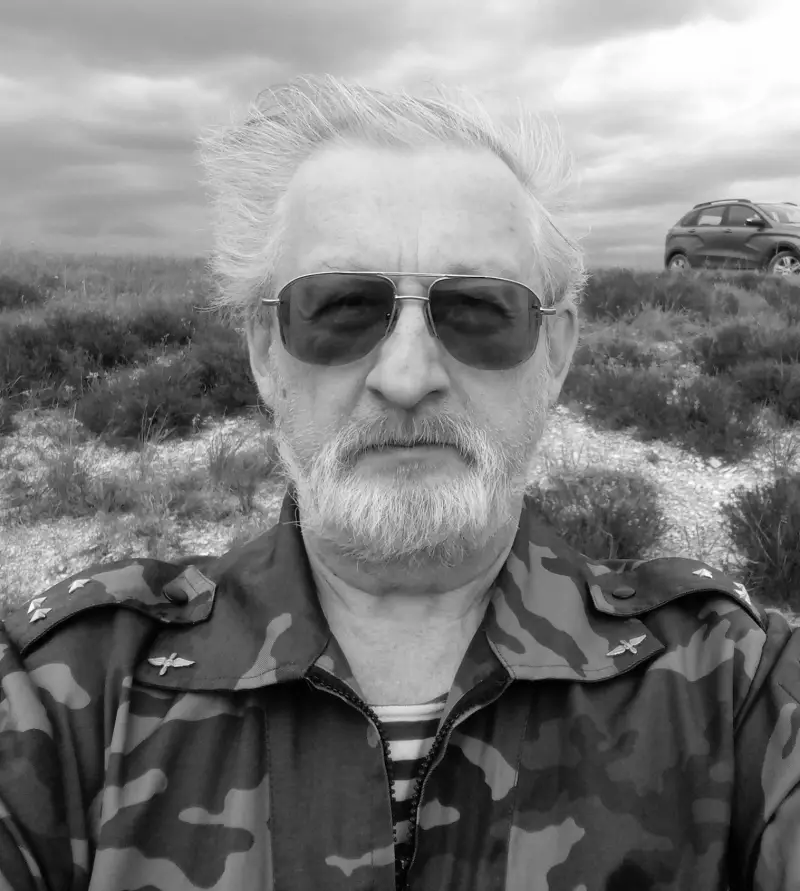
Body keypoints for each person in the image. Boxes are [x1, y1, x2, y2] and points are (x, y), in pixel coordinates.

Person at [0, 75, 798, 891]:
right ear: (264, 351)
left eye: (480, 310)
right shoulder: (69, 693)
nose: (408, 377)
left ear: (556, 352)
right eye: (340, 308)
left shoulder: (731, 686)